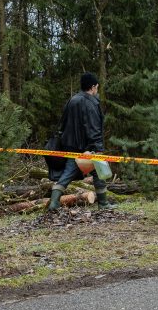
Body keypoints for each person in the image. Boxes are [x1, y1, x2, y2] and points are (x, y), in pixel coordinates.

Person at [48, 72, 116, 211]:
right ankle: (103, 204)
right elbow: (94, 128)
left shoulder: (72, 100)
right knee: (99, 171)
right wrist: (98, 149)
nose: (97, 89)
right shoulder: (91, 103)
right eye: (97, 87)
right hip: (87, 147)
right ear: (92, 87)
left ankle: (53, 203)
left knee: (67, 174)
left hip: (70, 146)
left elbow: (63, 125)